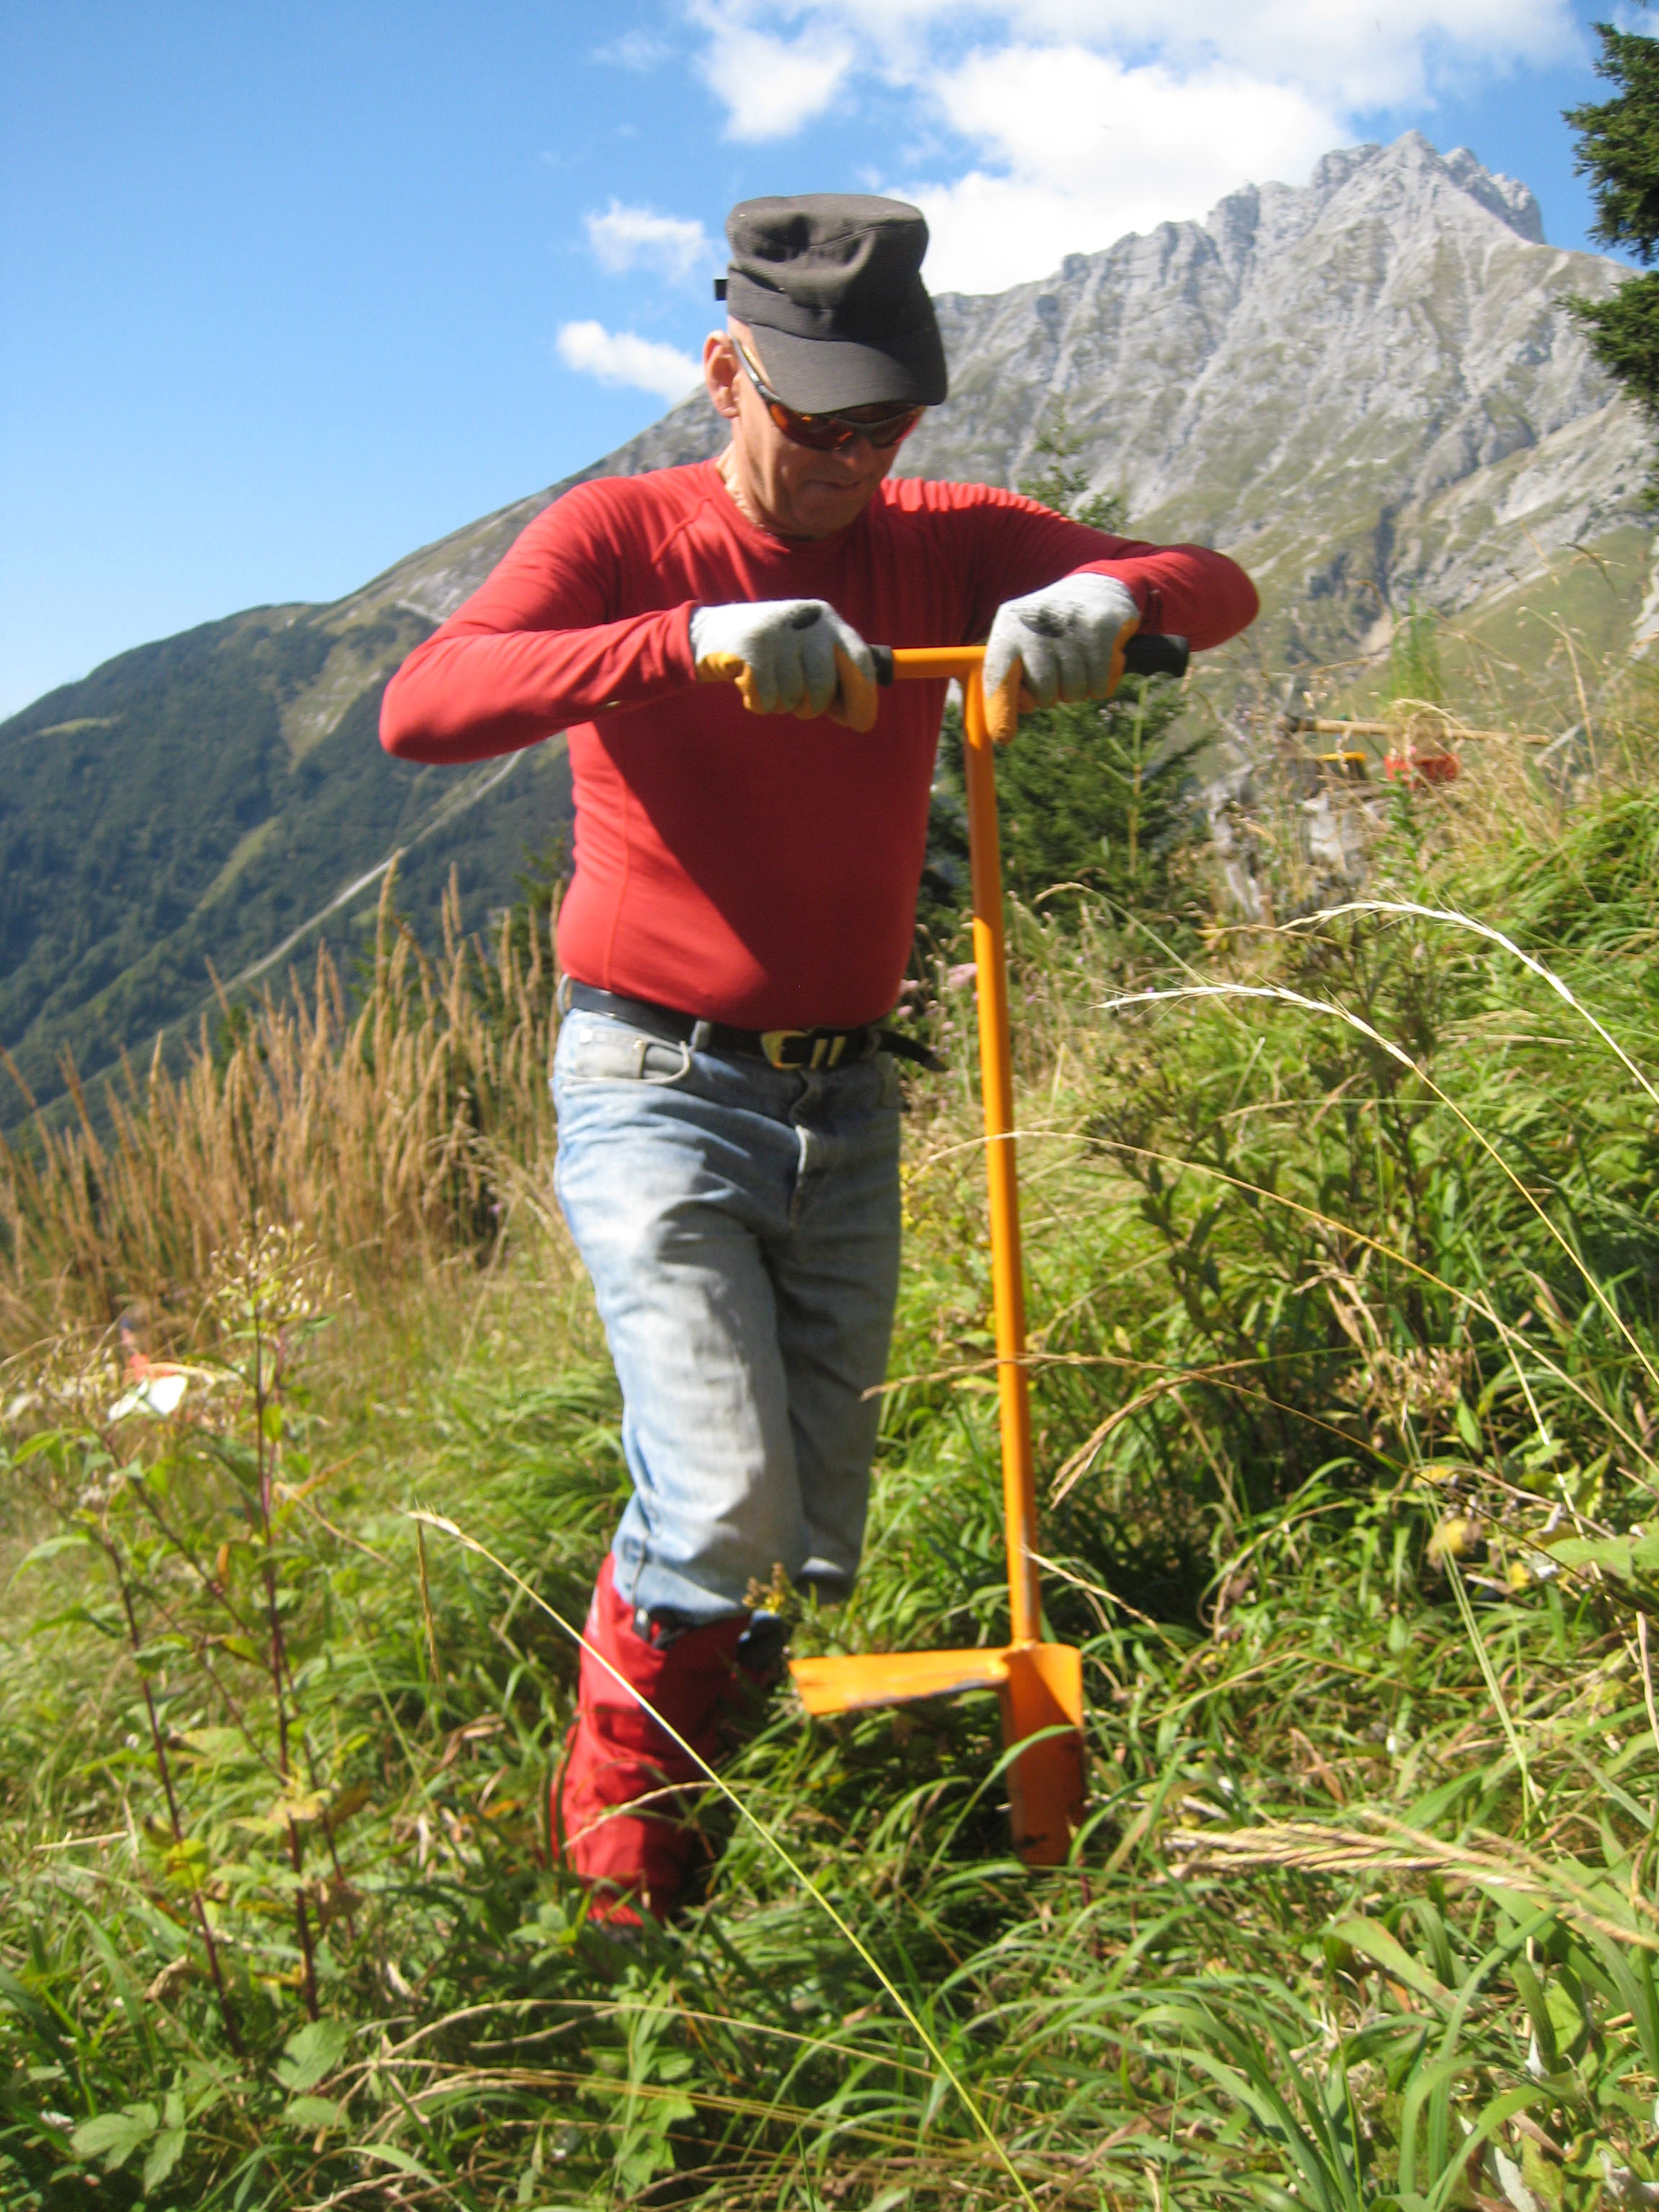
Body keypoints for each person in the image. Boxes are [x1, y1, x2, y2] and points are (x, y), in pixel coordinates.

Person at [381, 193, 1258, 1924]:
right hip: (652, 1083)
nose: (855, 459)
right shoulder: (626, 535)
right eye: (817, 421)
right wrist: (689, 645)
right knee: (714, 1504)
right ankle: (627, 1880)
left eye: (888, 422)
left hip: (846, 1098)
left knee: (799, 1534)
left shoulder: (937, 534)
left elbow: (1213, 585)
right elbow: (427, 703)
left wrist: (1101, 591)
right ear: (727, 372)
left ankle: (740, 1773)